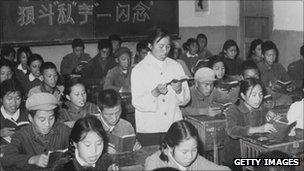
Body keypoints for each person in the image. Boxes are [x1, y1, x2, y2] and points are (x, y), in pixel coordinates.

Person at [131, 27, 190, 146]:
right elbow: (137, 102)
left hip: (173, 125)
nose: (165, 51)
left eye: (168, 47)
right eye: (161, 46)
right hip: (150, 128)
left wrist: (179, 90)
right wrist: (155, 93)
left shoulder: (176, 66)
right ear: (150, 45)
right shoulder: (139, 69)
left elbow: (185, 100)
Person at [1, 93, 71, 170]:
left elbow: (77, 148)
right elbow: (6, 159)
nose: (47, 124)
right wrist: (31, 159)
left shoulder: (63, 130)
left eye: (51, 118)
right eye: (42, 119)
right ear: (30, 118)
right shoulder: (21, 135)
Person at [222, 78, 277, 170]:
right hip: (235, 158)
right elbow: (231, 131)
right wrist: (259, 129)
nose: (258, 99)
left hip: (254, 155)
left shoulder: (262, 108)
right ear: (243, 96)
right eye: (253, 95)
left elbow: (270, 124)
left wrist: (278, 124)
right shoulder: (233, 109)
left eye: (261, 94)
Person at [144, 120, 230, 170]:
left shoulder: (195, 160)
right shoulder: (155, 164)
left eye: (194, 150)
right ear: (170, 147)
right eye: (184, 152)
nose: (190, 156)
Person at [54, 116, 118, 171]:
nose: (94, 151)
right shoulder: (64, 166)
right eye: (87, 145)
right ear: (75, 144)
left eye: (99, 144)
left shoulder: (107, 160)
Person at [97, 89, 141, 154]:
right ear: (99, 110)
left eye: (117, 112)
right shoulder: (92, 125)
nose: (114, 118)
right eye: (109, 114)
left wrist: (135, 148)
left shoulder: (126, 126)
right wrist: (103, 151)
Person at [0, 79, 28, 144]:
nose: (14, 103)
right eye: (9, 99)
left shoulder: (27, 112)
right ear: (1, 99)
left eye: (18, 98)